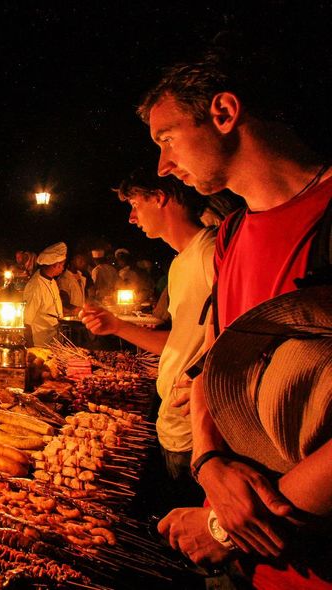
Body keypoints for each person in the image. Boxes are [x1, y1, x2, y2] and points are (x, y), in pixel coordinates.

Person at [139, 40, 332, 585]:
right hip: (254, 562)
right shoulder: (230, 236)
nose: (163, 163)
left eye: (167, 138)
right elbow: (214, 367)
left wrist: (225, 527)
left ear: (223, 113)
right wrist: (209, 463)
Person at [80, 169, 214, 509]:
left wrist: (203, 381)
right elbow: (181, 343)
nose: (132, 216)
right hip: (175, 429)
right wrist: (117, 327)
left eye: (135, 203)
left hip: (202, 437)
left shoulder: (211, 254)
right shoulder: (181, 263)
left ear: (159, 197)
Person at [23, 242, 66, 346]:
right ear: (55, 265)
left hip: (54, 341)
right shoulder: (35, 285)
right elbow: (26, 320)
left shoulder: (52, 281)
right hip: (40, 343)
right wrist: (30, 347)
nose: (63, 268)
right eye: (62, 265)